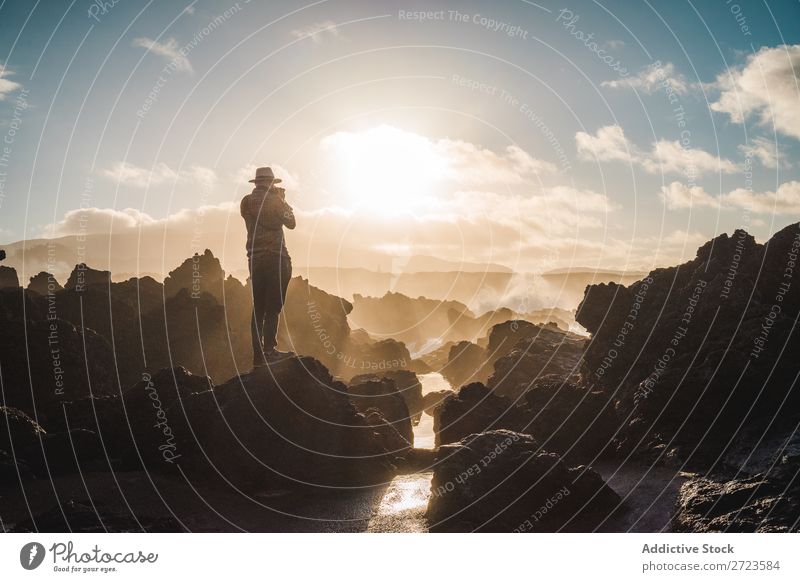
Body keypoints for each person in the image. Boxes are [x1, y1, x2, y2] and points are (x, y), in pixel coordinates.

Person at [240, 166, 296, 367]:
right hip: (275, 257)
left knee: (259, 308)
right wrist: (283, 201)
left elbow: (257, 216)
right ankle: (270, 351)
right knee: (273, 307)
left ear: (256, 183)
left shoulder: (246, 202)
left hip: (254, 259)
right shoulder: (276, 202)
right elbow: (291, 223)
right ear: (272, 183)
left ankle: (258, 357)